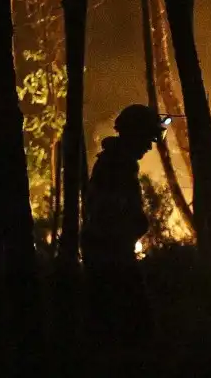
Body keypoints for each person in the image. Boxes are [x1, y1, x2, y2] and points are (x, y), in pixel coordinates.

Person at [81, 104, 169, 371]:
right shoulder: (116, 166)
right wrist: (136, 225)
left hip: (109, 253)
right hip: (110, 256)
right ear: (133, 134)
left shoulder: (116, 162)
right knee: (130, 324)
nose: (150, 146)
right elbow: (112, 214)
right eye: (147, 138)